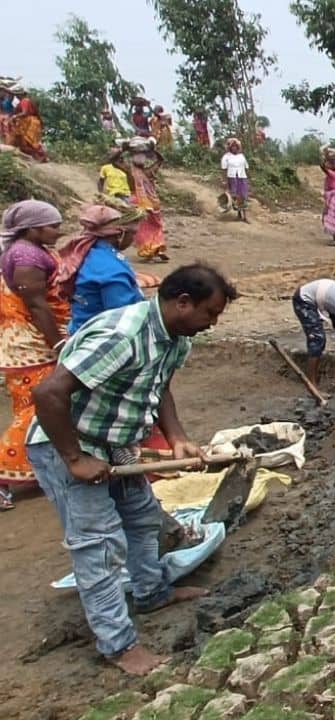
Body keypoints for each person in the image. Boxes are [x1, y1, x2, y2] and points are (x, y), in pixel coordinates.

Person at [27, 263, 237, 674]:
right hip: (67, 442)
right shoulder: (122, 336)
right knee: (100, 546)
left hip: (115, 443)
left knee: (142, 518)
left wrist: (176, 436)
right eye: (210, 314)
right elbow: (48, 392)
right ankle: (119, 646)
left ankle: (151, 592)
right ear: (182, 303)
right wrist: (75, 458)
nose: (211, 324)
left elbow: (158, 389)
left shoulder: (177, 340)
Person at [0, 201, 69, 509]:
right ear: (32, 228)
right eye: (52, 225)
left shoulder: (27, 251)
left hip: (27, 342)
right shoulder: (26, 256)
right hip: (30, 345)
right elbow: (38, 306)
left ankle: (38, 467)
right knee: (35, 409)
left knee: (36, 407)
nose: (58, 230)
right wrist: (58, 344)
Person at [57, 204, 147, 335]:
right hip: (97, 337)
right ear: (120, 233)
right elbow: (122, 316)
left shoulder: (84, 252)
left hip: (79, 324)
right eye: (133, 233)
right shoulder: (111, 270)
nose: (134, 239)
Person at [128, 149, 169, 263]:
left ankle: (151, 251)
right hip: (152, 203)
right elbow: (161, 160)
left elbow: (114, 161)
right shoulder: (147, 172)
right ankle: (156, 250)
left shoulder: (133, 172)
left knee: (144, 228)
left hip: (144, 204)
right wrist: (153, 150)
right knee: (156, 227)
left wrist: (151, 148)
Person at [8, 86, 48, 162]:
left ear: (21, 94)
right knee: (23, 141)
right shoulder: (24, 101)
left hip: (30, 123)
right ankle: (35, 157)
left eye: (17, 94)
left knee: (29, 141)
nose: (16, 96)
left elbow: (24, 112)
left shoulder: (25, 101)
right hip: (28, 123)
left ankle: (41, 156)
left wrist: (15, 116)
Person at [221, 138, 250, 223]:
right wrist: (225, 181)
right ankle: (239, 215)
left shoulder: (241, 156)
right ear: (230, 148)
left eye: (235, 146)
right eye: (232, 146)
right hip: (232, 178)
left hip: (242, 177)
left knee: (243, 196)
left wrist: (248, 179)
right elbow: (224, 169)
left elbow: (246, 167)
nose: (234, 148)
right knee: (235, 196)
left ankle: (245, 217)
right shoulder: (226, 157)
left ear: (238, 147)